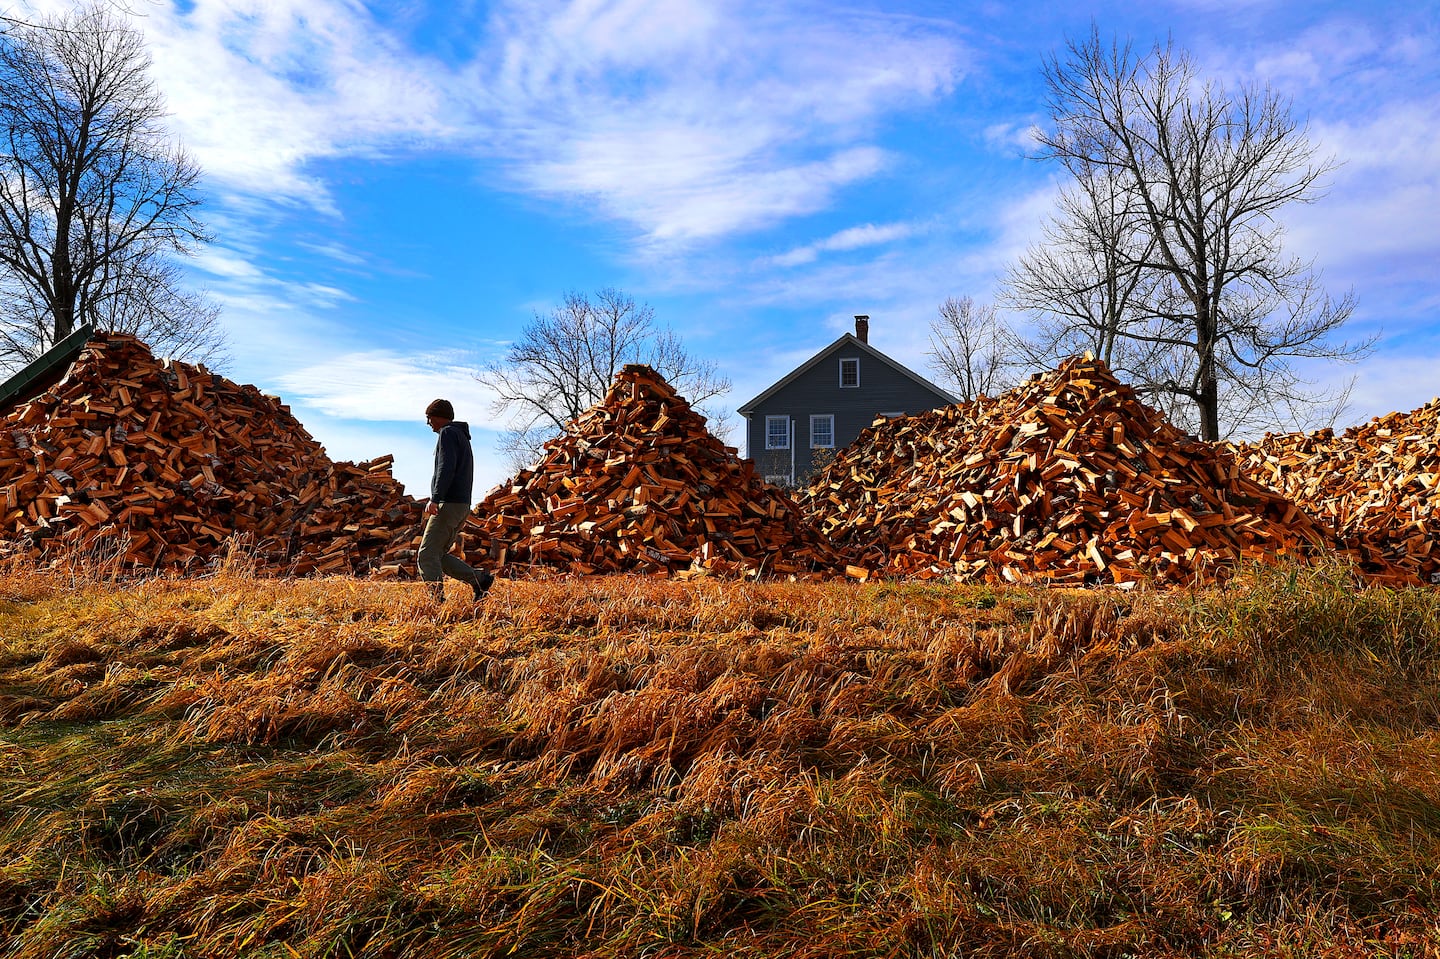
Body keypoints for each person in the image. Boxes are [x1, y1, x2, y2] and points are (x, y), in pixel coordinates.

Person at [418, 398, 493, 603]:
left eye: (429, 418)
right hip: (461, 504)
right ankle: (479, 580)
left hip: (448, 503)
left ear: (439, 416)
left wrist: (436, 498)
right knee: (438, 555)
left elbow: (446, 468)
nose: (428, 423)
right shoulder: (460, 436)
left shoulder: (448, 433)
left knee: (426, 555)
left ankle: (436, 603)